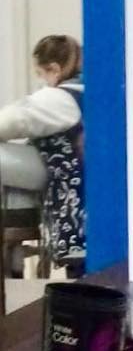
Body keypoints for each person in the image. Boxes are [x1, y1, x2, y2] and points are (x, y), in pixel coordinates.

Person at [0, 35, 84, 265]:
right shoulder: (91, 92)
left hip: (67, 192)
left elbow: (10, 121)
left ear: (54, 69)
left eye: (41, 74)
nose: (42, 81)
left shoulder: (59, 98)